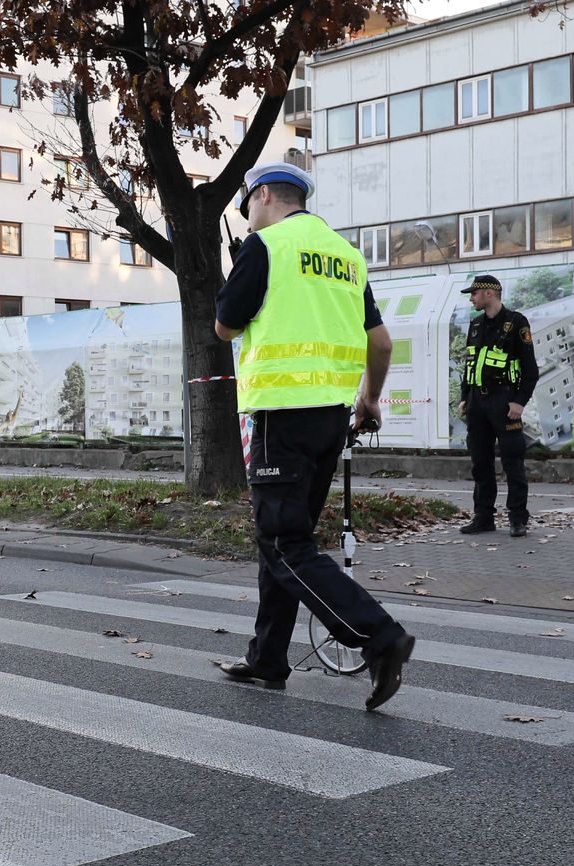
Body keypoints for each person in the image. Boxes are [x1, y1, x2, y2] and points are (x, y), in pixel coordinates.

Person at [213, 160, 416, 711]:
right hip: (330, 417)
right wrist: (369, 399)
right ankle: (267, 660)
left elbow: (225, 325)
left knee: (284, 542)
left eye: (247, 207)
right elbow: (380, 343)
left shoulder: (265, 247)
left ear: (262, 197)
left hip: (281, 413)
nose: (247, 218)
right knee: (281, 538)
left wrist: (238, 274)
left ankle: (379, 637)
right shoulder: (346, 257)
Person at [457, 275, 537, 537]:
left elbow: (530, 369)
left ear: (489, 294)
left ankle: (517, 518)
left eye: (475, 294)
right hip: (477, 403)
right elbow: (469, 365)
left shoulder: (516, 323)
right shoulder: (476, 324)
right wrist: (464, 397)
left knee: (512, 460)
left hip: (504, 401)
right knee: (480, 461)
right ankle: (483, 517)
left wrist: (519, 402)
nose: (471, 298)